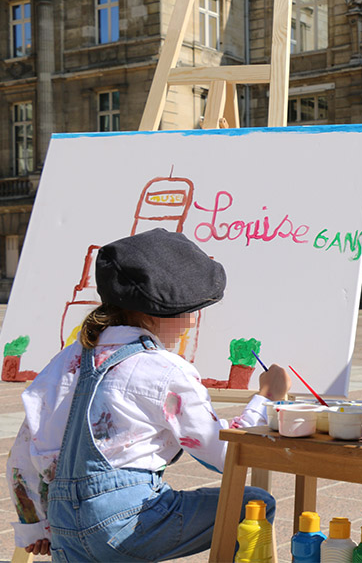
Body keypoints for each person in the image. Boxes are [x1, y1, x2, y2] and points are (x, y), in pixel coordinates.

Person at [6, 228, 291, 561]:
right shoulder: (165, 369)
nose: (192, 323)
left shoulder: (65, 361)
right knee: (254, 504)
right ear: (160, 314)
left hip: (63, 525)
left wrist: (35, 525)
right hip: (127, 525)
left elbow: (23, 453)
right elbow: (224, 452)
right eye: (190, 312)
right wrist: (267, 397)